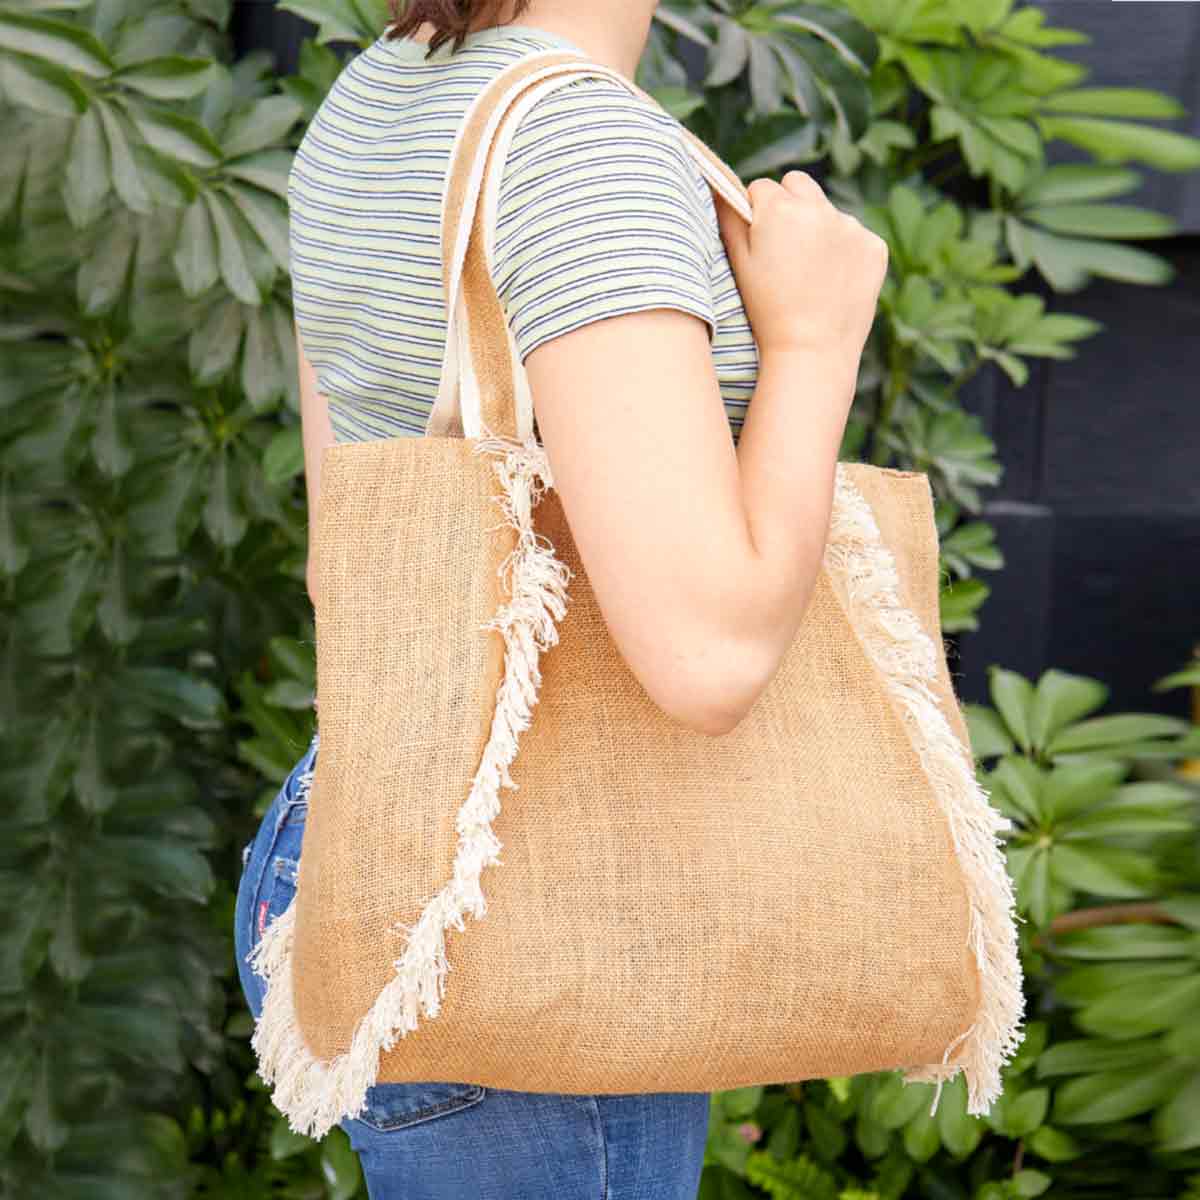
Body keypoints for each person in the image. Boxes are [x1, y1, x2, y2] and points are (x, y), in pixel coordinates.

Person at [234, 0, 888, 1195]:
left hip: (375, 838)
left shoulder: (383, 90)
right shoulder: (581, 148)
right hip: (535, 916)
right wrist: (814, 343)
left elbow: (348, 562)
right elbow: (707, 659)